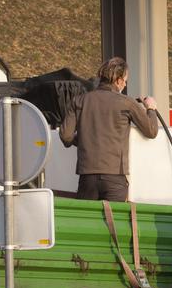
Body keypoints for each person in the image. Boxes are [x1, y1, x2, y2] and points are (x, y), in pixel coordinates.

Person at [59, 57, 158, 201]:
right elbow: (151, 131)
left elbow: (65, 136)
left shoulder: (79, 100)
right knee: (114, 222)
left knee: (87, 222)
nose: (125, 84)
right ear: (118, 80)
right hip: (115, 178)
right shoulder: (127, 103)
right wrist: (151, 108)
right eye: (125, 80)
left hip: (87, 178)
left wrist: (83, 140)